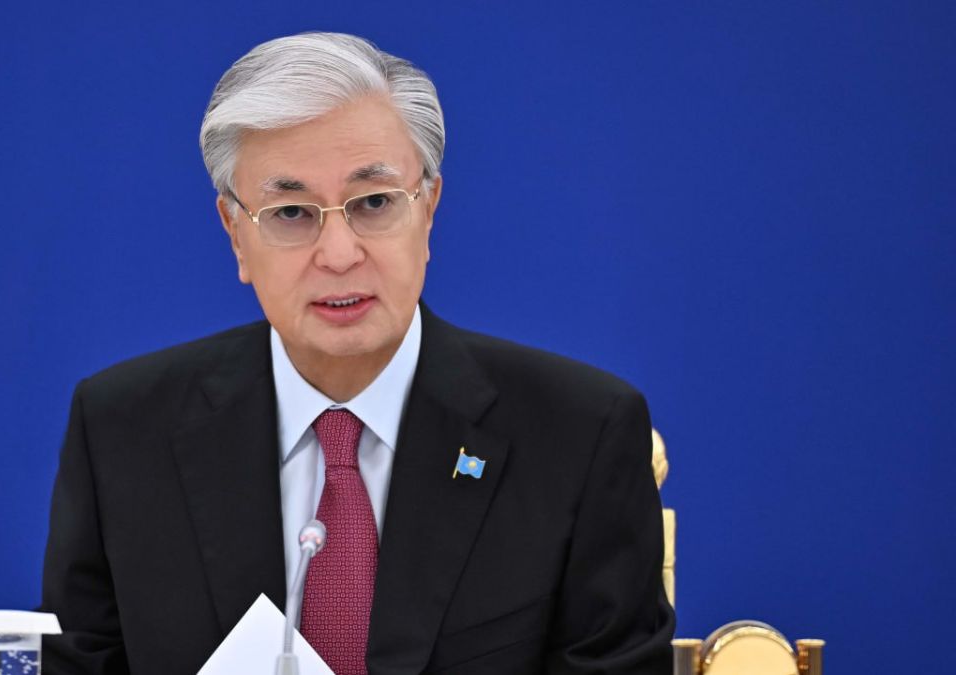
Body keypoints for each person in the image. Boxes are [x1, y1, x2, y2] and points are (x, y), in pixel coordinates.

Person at [40, 32, 674, 675]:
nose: (339, 255)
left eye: (374, 203)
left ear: (428, 209)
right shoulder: (123, 429)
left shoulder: (578, 434)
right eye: (291, 213)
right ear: (235, 234)